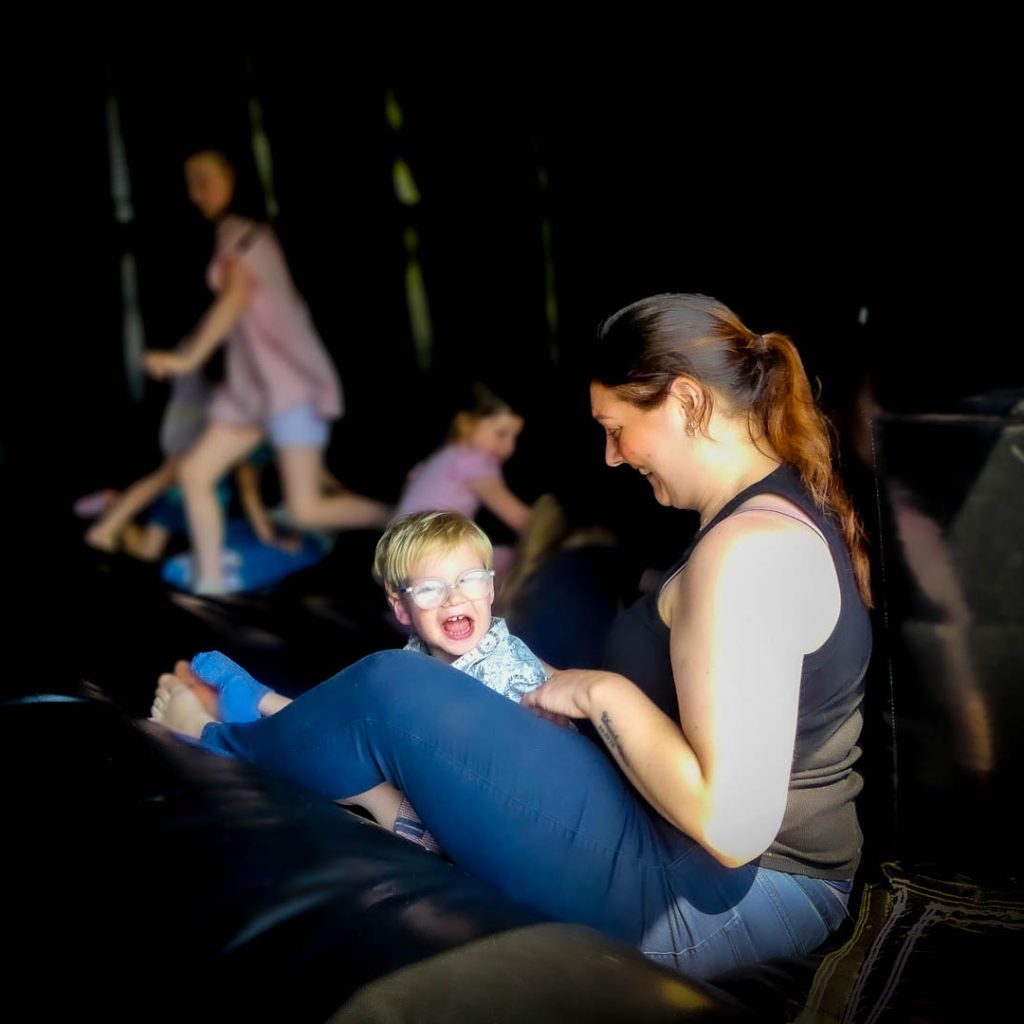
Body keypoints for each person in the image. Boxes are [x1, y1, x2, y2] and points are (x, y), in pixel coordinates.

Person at [150, 292, 873, 981]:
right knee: (447, 685)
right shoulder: (758, 518)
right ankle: (273, 716)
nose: (612, 456)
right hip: (689, 859)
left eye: (616, 428)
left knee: (392, 689)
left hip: (719, 897)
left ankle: (227, 744)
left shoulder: (750, 553)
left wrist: (603, 693)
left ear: (686, 401)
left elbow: (734, 827)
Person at [163, 509, 552, 853]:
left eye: (469, 580)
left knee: (347, 763)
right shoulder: (413, 660)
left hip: (456, 821)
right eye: (431, 588)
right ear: (402, 608)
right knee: (346, 727)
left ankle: (221, 728)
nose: (454, 598)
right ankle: (262, 702)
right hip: (415, 768)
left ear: (491, 587)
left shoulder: (507, 666)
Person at [144, 148, 391, 595]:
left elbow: (234, 299)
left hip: (287, 388)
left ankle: (410, 517)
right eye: (190, 181)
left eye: (205, 178)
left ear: (233, 177)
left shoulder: (243, 234)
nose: (196, 192)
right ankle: (211, 582)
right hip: (252, 394)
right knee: (195, 473)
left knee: (306, 509)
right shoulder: (235, 234)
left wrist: (187, 359)